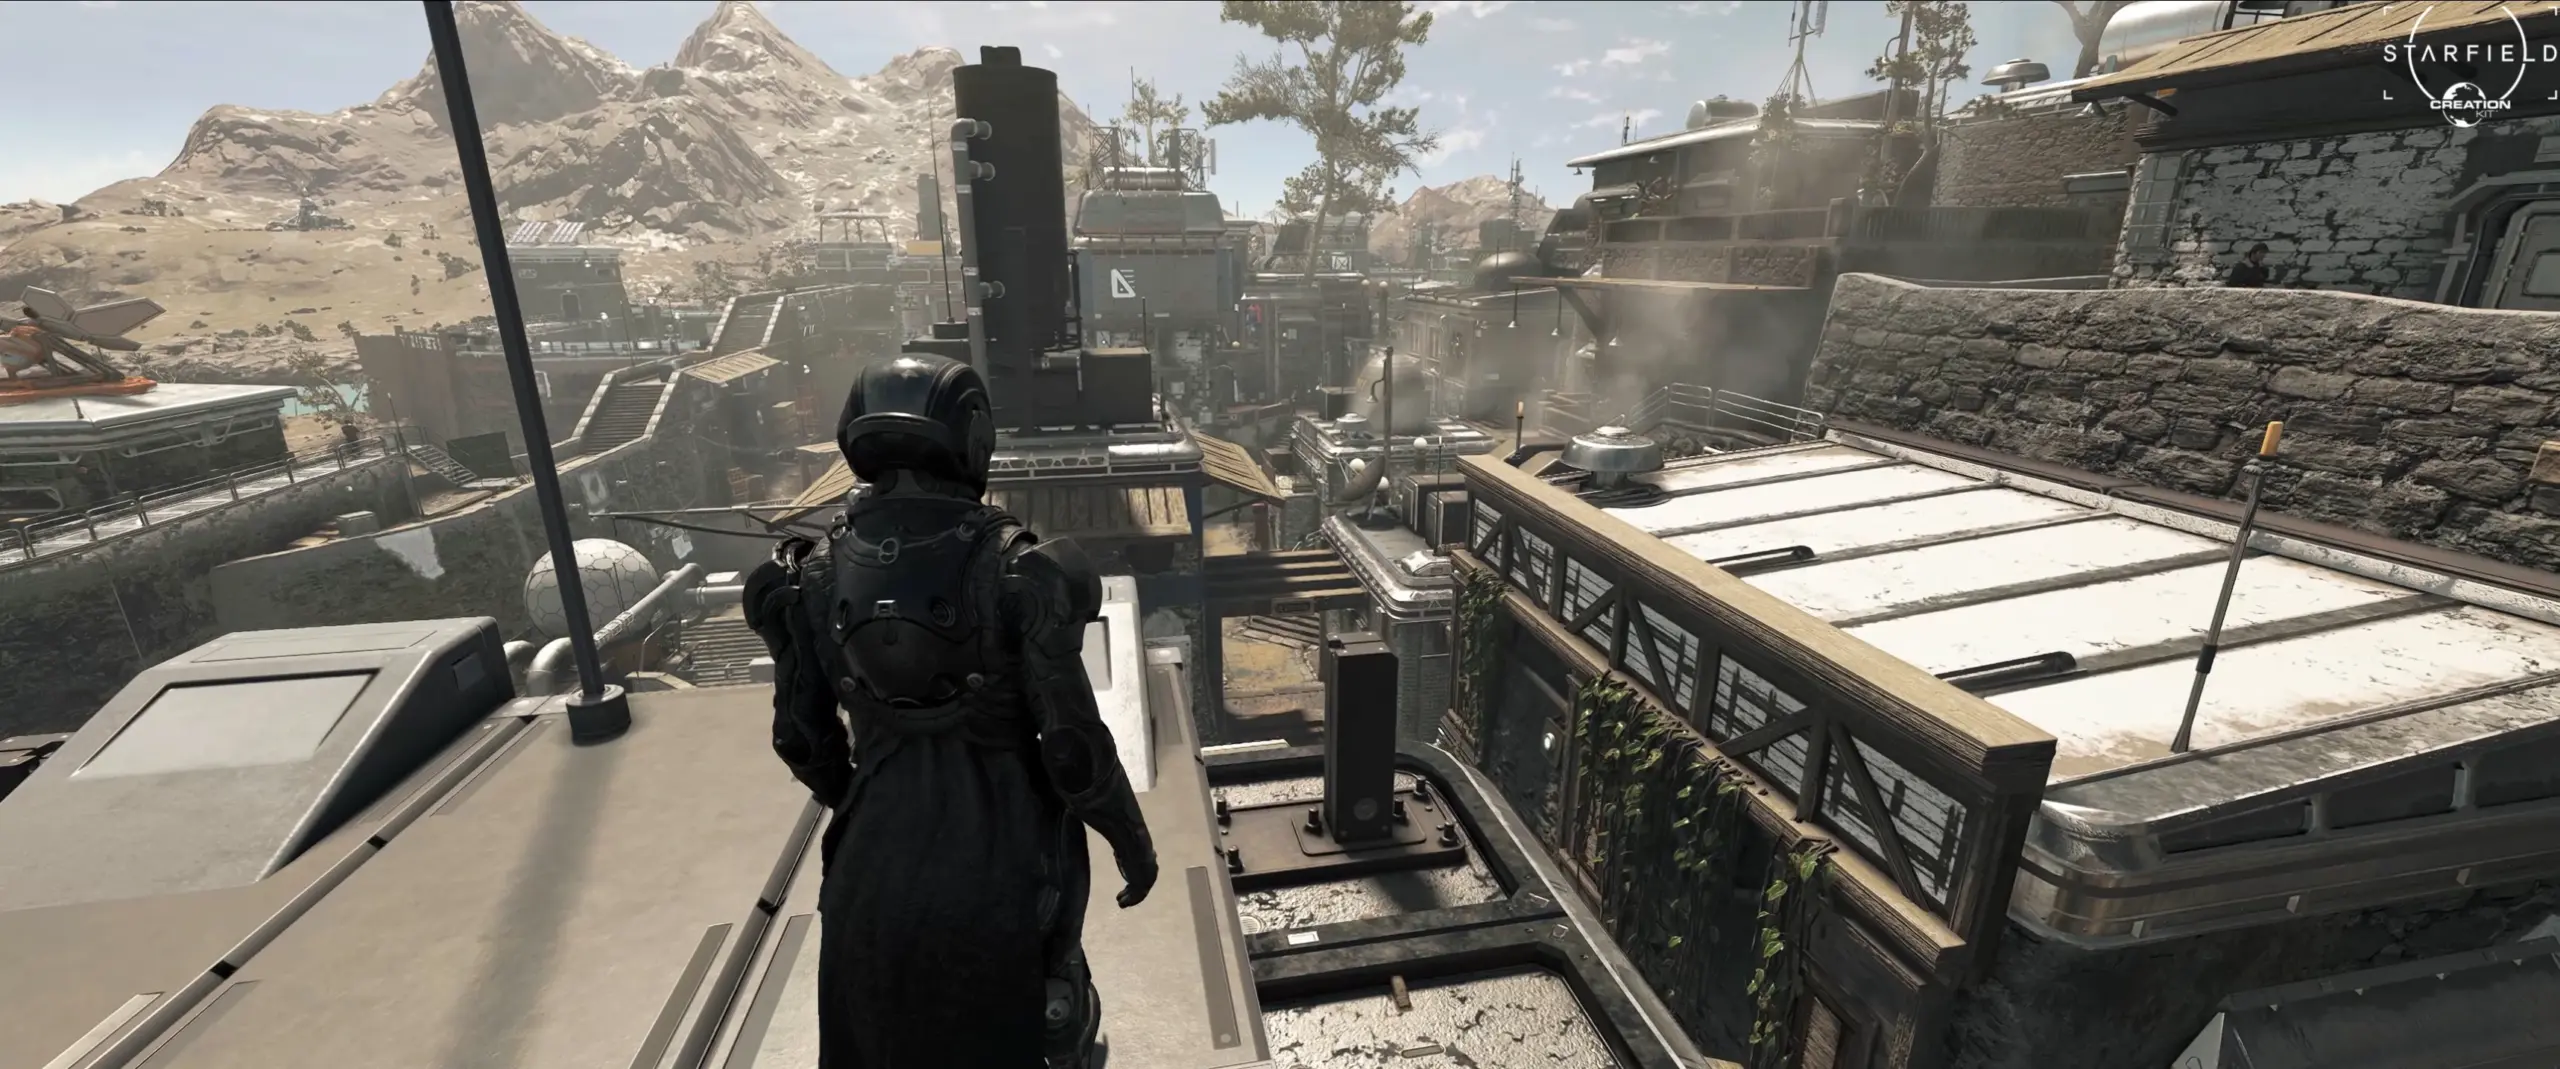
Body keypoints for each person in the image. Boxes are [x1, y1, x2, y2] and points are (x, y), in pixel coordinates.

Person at [742, 352, 1157, 1069]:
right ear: (973, 440)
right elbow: (1072, 752)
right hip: (1008, 866)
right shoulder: (1022, 570)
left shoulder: (808, 575)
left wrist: (878, 796)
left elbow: (801, 740)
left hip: (867, 868)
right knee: (1043, 1029)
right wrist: (1131, 841)